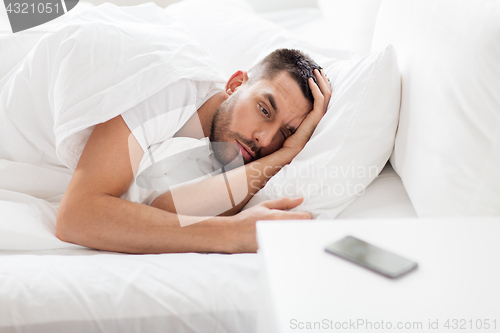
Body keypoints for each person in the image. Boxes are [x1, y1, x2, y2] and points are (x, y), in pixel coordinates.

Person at [55, 48, 332, 254]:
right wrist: (234, 233)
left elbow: (165, 210)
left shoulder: (225, 146)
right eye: (264, 110)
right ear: (235, 85)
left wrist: (284, 155)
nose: (264, 138)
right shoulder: (167, 88)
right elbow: (76, 216)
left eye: (285, 134)